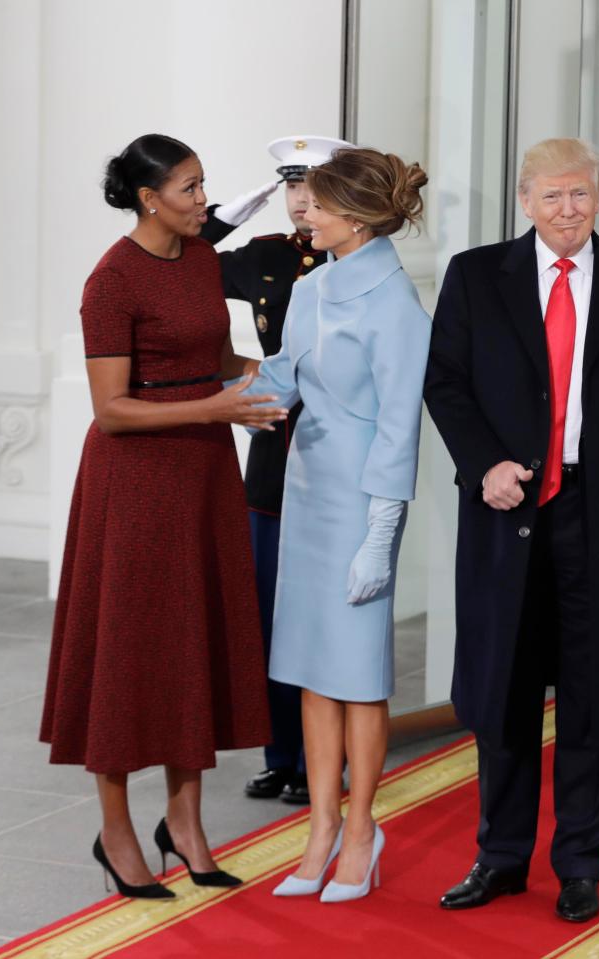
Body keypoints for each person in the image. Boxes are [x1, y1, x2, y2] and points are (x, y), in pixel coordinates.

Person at [424, 138, 599, 922]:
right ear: (524, 201)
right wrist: (485, 465)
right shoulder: (477, 275)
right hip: (508, 511)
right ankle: (500, 857)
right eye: (552, 197)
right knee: (502, 689)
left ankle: (580, 863)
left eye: (580, 195)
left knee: (595, 696)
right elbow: (445, 382)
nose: (567, 211)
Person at [40, 134, 286, 899]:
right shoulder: (109, 282)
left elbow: (208, 358)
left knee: (194, 644)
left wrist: (271, 375)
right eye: (189, 188)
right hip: (138, 483)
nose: (204, 201)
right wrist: (216, 405)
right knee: (128, 649)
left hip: (204, 469)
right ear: (149, 197)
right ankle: (115, 831)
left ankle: (185, 825)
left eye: (202, 185)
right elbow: (110, 410)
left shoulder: (203, 257)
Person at [236, 147, 430, 902]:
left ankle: (361, 831)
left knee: (357, 676)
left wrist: (381, 536)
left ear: (354, 216)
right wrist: (189, 390)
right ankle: (320, 826)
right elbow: (281, 378)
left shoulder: (394, 305)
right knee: (315, 671)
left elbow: (398, 430)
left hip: (361, 505)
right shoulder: (314, 290)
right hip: (308, 496)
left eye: (316, 204)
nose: (303, 213)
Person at [200, 135, 354, 806]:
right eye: (289, 185)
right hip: (272, 455)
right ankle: (281, 755)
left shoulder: (360, 260)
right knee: (267, 612)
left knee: (326, 615)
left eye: (312, 184)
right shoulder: (264, 256)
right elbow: (176, 264)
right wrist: (226, 217)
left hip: (337, 450)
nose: (299, 197)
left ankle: (330, 755)